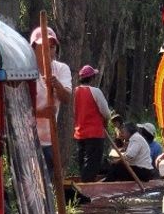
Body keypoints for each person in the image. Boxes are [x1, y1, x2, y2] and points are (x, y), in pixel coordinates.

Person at [31, 27, 71, 173]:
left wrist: (56, 85)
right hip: (27, 141)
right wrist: (41, 112)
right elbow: (17, 109)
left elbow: (66, 98)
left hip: (48, 141)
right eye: (43, 46)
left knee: (47, 186)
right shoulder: (26, 70)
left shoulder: (61, 69)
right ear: (34, 48)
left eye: (52, 47)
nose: (48, 51)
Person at [73, 64, 112, 183]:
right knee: (92, 163)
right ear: (92, 78)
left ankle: (84, 183)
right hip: (94, 133)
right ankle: (87, 186)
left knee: (83, 162)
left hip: (80, 133)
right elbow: (107, 113)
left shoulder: (75, 91)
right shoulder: (95, 91)